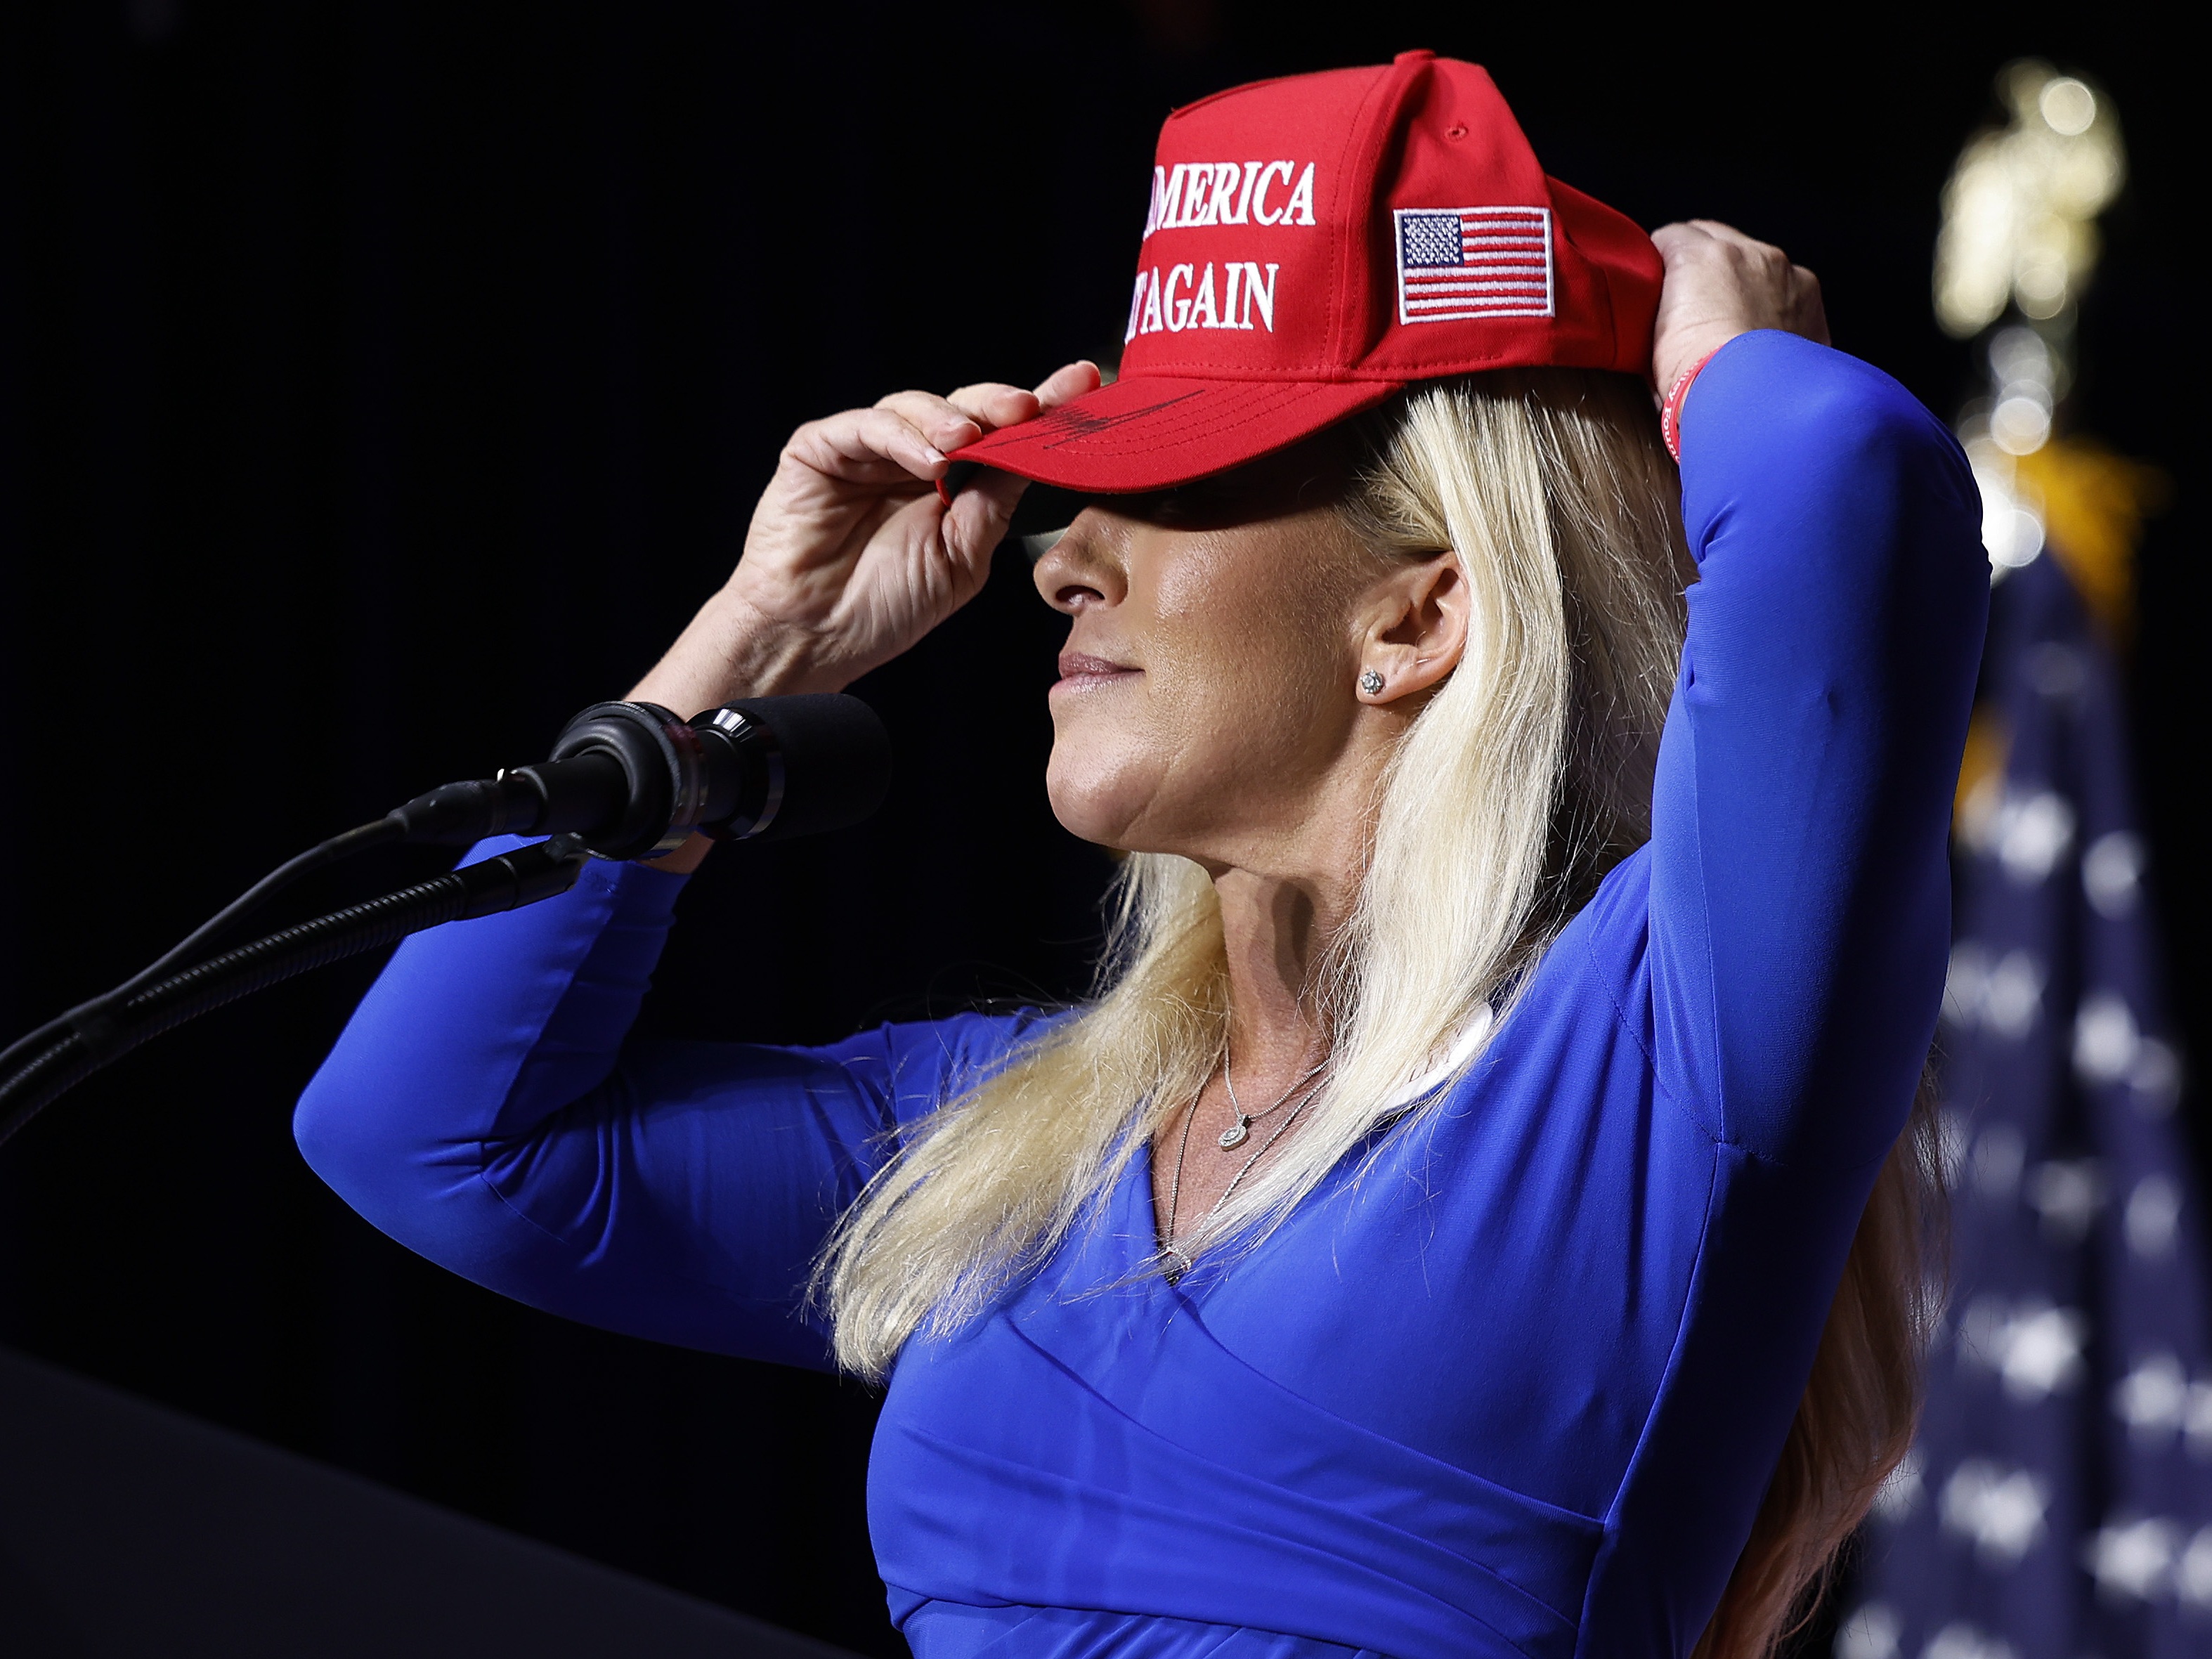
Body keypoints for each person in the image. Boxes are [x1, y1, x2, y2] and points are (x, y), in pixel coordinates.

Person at [295, 52, 1986, 1659]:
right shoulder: (1012, 1146)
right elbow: (427, 1137)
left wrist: (1714, 362)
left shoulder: (1659, 1050)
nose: (1056, 555)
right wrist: (742, 654)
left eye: (1177, 479)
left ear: (1417, 609)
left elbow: (1850, 476)